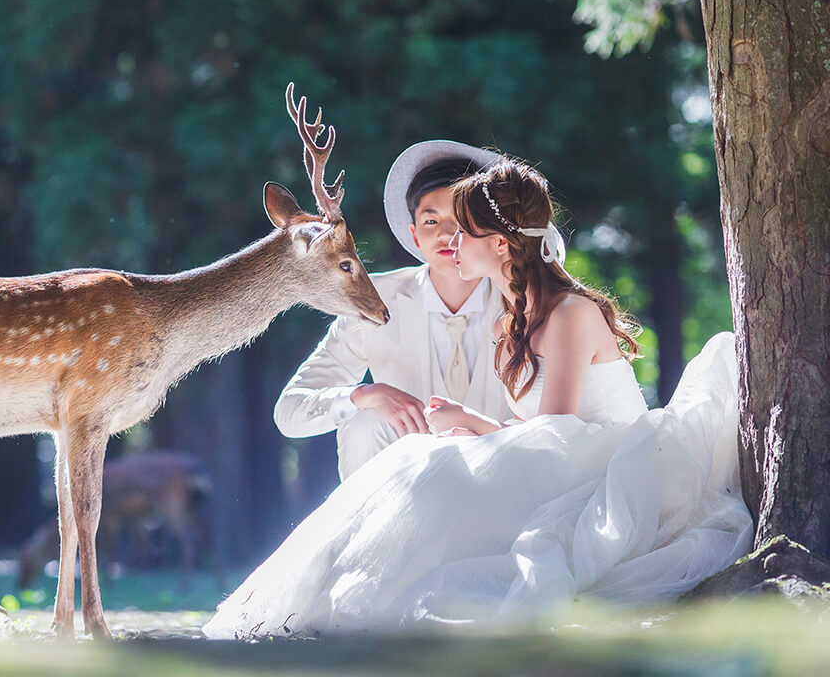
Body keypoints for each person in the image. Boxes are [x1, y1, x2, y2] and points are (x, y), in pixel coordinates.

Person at [204, 157, 753, 637]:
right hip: (553, 455)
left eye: (461, 229)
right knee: (420, 458)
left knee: (435, 466)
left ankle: (375, 594)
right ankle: (324, 594)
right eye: (435, 226)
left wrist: (468, 423)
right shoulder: (507, 320)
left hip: (606, 464)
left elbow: (558, 434)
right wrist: (429, 414)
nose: (450, 242)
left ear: (499, 243)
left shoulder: (567, 315)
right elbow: (536, 433)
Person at [274, 141, 513, 480]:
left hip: (501, 480)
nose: (446, 234)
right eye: (431, 221)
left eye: (460, 220)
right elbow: (290, 411)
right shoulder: (373, 302)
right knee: (364, 422)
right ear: (414, 235)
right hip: (403, 490)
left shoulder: (521, 301)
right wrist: (365, 394)